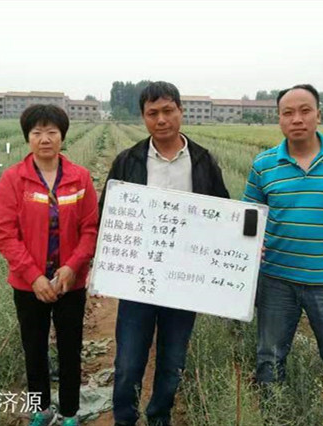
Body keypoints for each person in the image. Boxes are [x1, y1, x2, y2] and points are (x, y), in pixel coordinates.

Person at [242, 84, 323, 422]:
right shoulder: (264, 165)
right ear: (279, 119)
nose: (297, 119)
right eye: (288, 113)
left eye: (305, 111)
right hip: (275, 281)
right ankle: (273, 416)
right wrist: (248, 255)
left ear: (318, 114)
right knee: (270, 356)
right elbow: (249, 219)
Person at [100, 81, 229, 426]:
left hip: (183, 282)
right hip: (138, 281)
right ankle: (125, 419)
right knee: (128, 361)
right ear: (143, 117)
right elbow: (107, 216)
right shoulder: (128, 161)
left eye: (168, 110)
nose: (161, 119)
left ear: (180, 111)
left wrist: (243, 248)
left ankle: (159, 416)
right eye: (152, 113)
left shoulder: (203, 161)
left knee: (173, 360)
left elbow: (223, 214)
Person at [0, 104, 98, 426]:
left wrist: (73, 266)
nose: (45, 139)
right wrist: (34, 276)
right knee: (34, 348)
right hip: (29, 285)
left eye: (52, 132)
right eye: (37, 132)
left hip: (70, 283)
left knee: (70, 348)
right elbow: (5, 234)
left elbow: (90, 229)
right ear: (28, 137)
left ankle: (70, 412)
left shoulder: (80, 178)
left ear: (62, 136)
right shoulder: (14, 179)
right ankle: (41, 409)